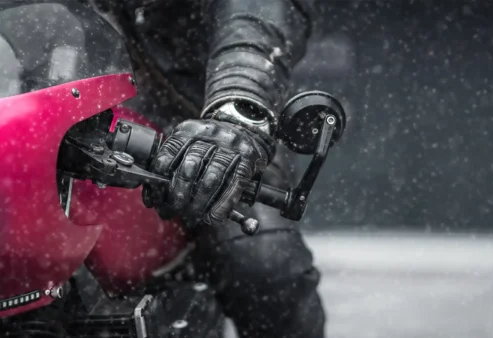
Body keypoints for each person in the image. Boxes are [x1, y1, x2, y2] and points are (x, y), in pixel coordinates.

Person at [84, 0, 325, 337]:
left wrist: (238, 108)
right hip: (75, 138)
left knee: (263, 263)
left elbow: (256, 16)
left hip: (207, 137)